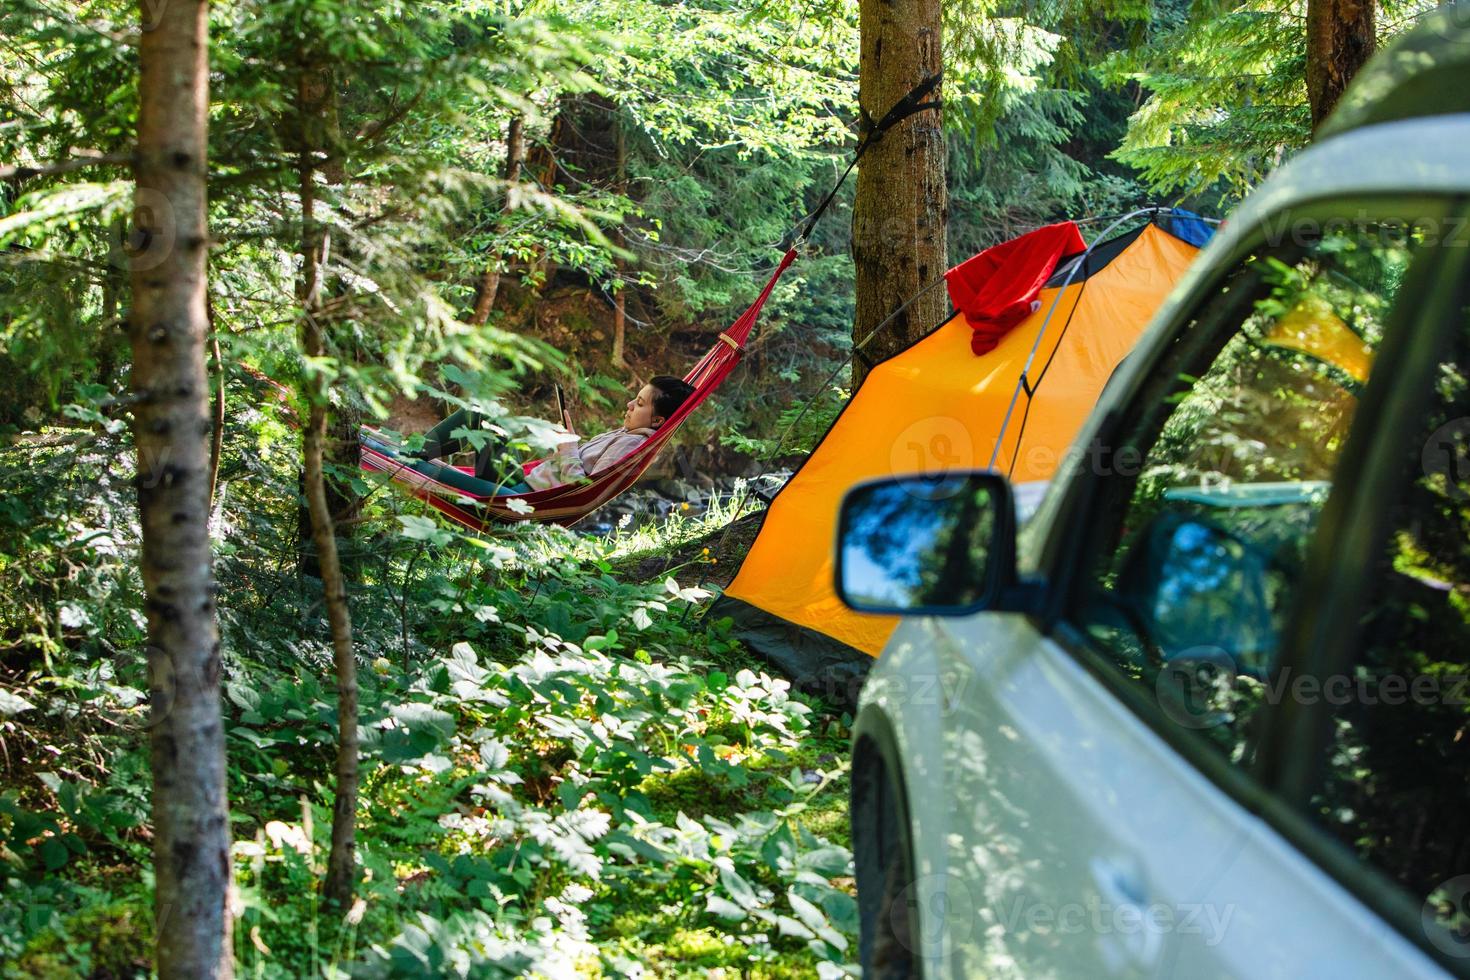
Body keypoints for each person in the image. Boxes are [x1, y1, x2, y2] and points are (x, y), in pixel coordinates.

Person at [401, 376, 696, 496]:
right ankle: (407, 456)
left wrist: (568, 445)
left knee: (428, 470)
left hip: (520, 498)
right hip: (522, 484)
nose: (629, 405)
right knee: (480, 416)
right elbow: (570, 468)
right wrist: (564, 441)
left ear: (658, 420)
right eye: (635, 398)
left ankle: (401, 460)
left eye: (640, 404)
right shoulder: (624, 433)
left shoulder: (632, 444)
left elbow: (581, 486)